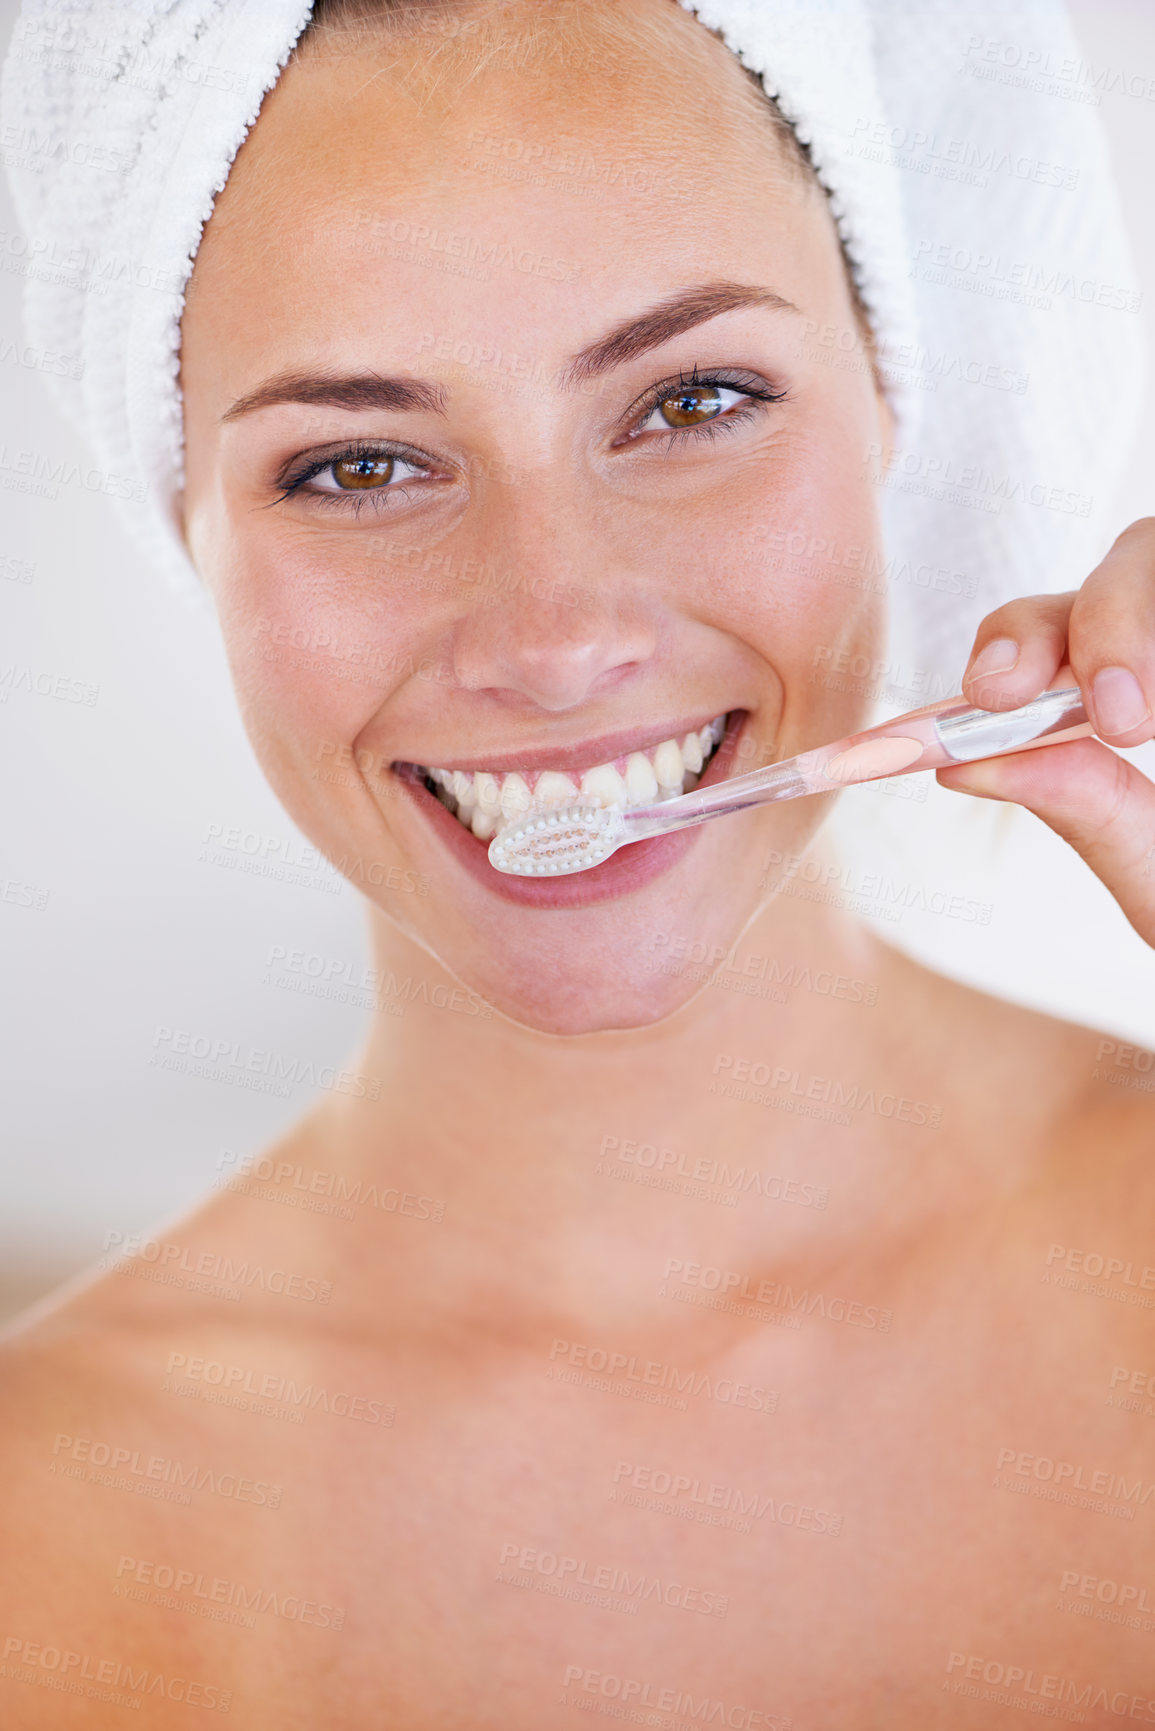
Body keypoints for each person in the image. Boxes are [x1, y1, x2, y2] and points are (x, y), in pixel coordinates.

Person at [2, 0, 1154, 1722]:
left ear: (892, 398)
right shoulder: (48, 1534)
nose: (552, 636)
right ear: (192, 534)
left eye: (691, 401)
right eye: (358, 463)